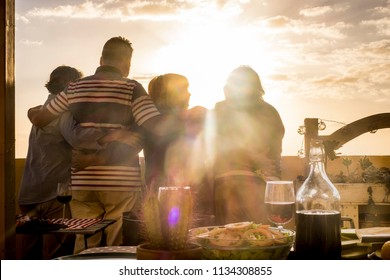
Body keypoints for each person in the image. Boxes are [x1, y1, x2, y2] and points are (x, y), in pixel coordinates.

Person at [28, 36, 183, 253]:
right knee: (116, 243)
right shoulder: (132, 88)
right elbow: (156, 125)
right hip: (119, 182)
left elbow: (41, 120)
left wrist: (33, 112)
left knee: (84, 241)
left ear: (101, 59)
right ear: (127, 64)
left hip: (82, 180)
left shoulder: (74, 87)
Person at [18, 65, 83, 259]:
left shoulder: (41, 111)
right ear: (70, 86)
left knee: (28, 257)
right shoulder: (65, 114)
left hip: (29, 192)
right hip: (54, 195)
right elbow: (79, 141)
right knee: (56, 257)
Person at [210, 65, 285, 225]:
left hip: (246, 180)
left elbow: (219, 144)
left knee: (231, 239)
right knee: (260, 238)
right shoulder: (269, 111)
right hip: (260, 180)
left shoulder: (222, 109)